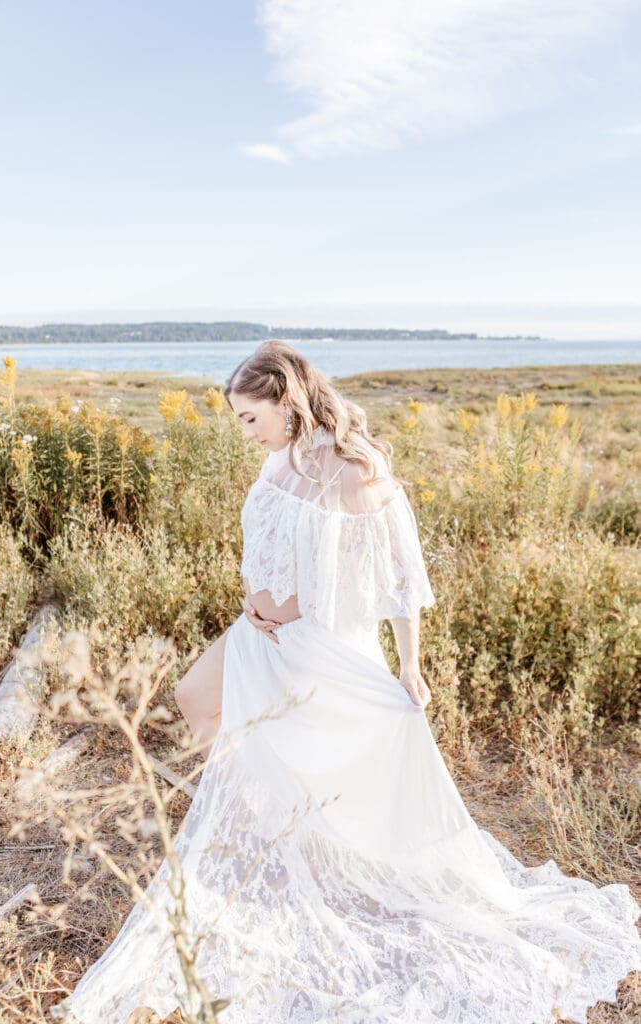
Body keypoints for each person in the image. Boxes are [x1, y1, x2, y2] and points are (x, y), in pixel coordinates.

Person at [54, 341, 641, 1024]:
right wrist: (256, 599)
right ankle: (284, 841)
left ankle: (311, 859)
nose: (246, 432)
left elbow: (397, 578)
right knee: (194, 700)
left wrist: (410, 665)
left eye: (251, 417)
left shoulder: (354, 468)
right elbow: (272, 543)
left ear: (287, 398)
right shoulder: (281, 455)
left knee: (314, 763)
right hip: (258, 635)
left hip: (317, 646)